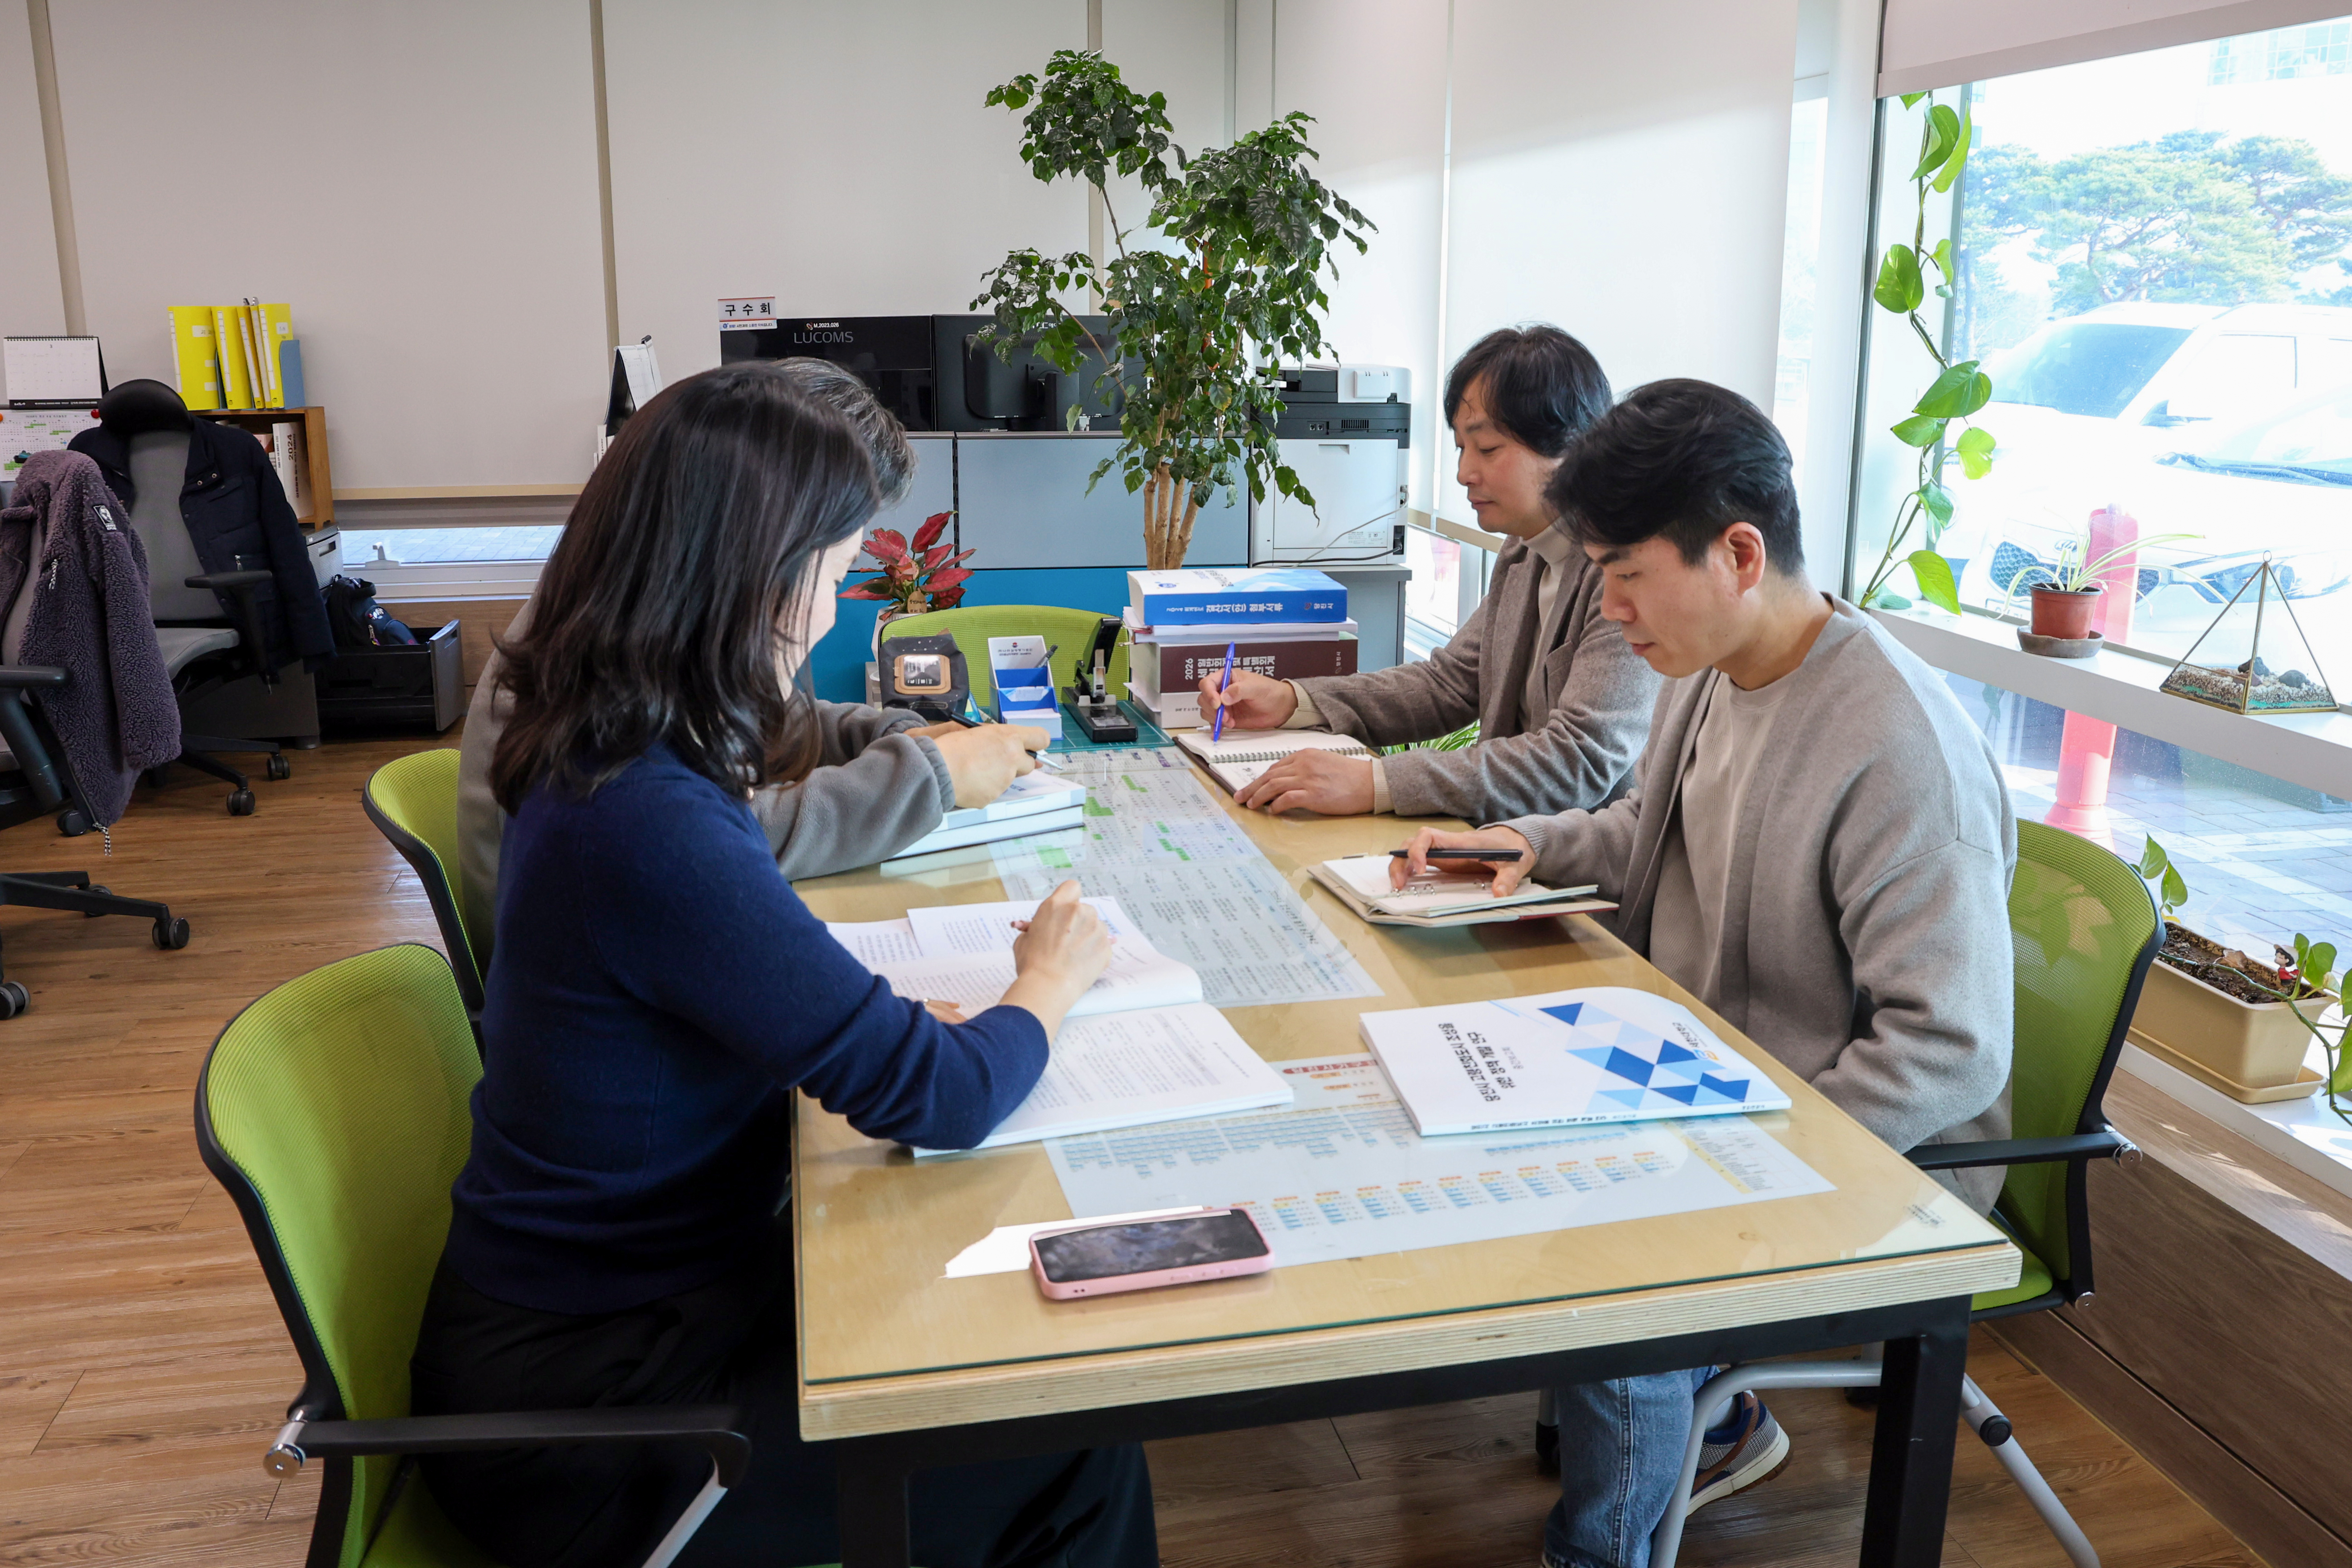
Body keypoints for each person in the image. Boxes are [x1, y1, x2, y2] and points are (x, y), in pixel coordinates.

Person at [410, 365, 1158, 1568]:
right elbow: (946, 1096)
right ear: (756, 576)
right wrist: (1049, 979)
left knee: (994, 1322)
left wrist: (890, 1017)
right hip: (591, 1428)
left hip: (635, 1314)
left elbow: (742, 990)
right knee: (1074, 1429)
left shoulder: (611, 744)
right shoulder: (648, 817)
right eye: (835, 571)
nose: (827, 613)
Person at [1392, 380, 2015, 1568]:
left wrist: (1737, 1154)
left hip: (1861, 1150)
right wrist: (1526, 844)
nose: (1609, 608)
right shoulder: (1714, 664)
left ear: (1738, 554)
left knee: (1614, 1266)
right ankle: (1702, 1424)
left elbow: (1949, 1047)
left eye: (1626, 574)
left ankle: (1607, 1538)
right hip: (1699, 1071)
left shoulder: (1897, 747)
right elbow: (1650, 830)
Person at [454, 357, 1042, 947]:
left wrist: (893, 735)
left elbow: (756, 720)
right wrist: (928, 777)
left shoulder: (645, 608)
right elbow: (710, 834)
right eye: (832, 563)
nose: (828, 605)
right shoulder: (609, 665)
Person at [1199, 326, 1658, 821]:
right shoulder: (1524, 549)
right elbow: (1451, 682)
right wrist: (1293, 700)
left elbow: (1578, 760)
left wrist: (1376, 782)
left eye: (1487, 449)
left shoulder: (1627, 573)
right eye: (1461, 448)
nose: (1463, 473)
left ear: (1571, 446)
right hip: (1496, 841)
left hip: (1573, 858)